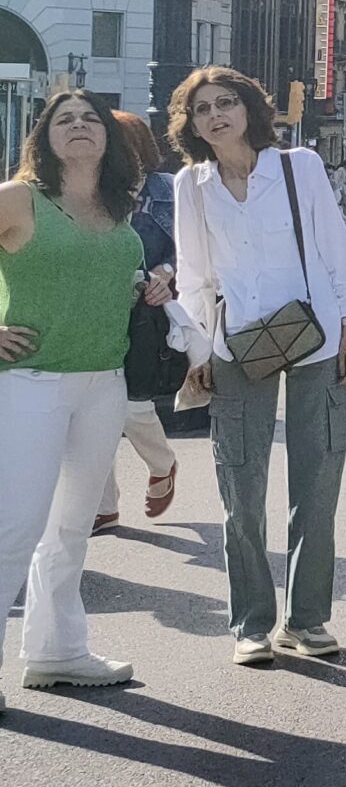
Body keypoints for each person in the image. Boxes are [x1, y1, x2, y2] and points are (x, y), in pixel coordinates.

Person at [169, 68, 346, 663]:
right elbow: (194, 274)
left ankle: (306, 620)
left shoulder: (298, 166)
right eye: (202, 108)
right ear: (191, 124)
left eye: (226, 102)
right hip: (236, 345)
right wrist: (197, 350)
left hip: (314, 336)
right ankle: (251, 624)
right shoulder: (192, 184)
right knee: (240, 484)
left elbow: (337, 247)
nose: (216, 115)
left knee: (318, 481)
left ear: (250, 109)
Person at [0, 90, 152, 700]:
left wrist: (153, 285)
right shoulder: (18, 198)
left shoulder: (118, 206)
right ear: (45, 137)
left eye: (91, 118)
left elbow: (107, 278)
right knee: (14, 530)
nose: (80, 125)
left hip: (102, 383)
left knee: (70, 530)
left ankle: (57, 652)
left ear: (109, 137)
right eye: (64, 119)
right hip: (29, 383)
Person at [94, 112, 182, 532]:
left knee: (132, 403)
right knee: (93, 409)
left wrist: (166, 273)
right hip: (94, 310)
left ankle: (162, 462)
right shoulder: (88, 188)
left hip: (144, 312)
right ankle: (103, 505)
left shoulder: (167, 189)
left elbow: (193, 247)